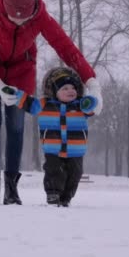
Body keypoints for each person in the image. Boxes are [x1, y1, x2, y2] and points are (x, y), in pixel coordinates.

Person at [0, 0, 103, 205]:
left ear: (33, 10)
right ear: (4, 8)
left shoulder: (39, 16)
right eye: (14, 20)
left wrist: (92, 83)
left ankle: (11, 187)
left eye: (25, 20)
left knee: (16, 126)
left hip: (21, 72)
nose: (20, 24)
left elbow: (65, 47)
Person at [15, 67, 98, 207]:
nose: (70, 91)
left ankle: (66, 197)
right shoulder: (44, 104)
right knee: (53, 171)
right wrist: (16, 95)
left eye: (73, 87)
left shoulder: (80, 105)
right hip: (52, 148)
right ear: (55, 91)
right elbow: (29, 104)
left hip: (75, 150)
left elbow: (92, 108)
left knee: (75, 174)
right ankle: (53, 194)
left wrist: (91, 101)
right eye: (64, 88)